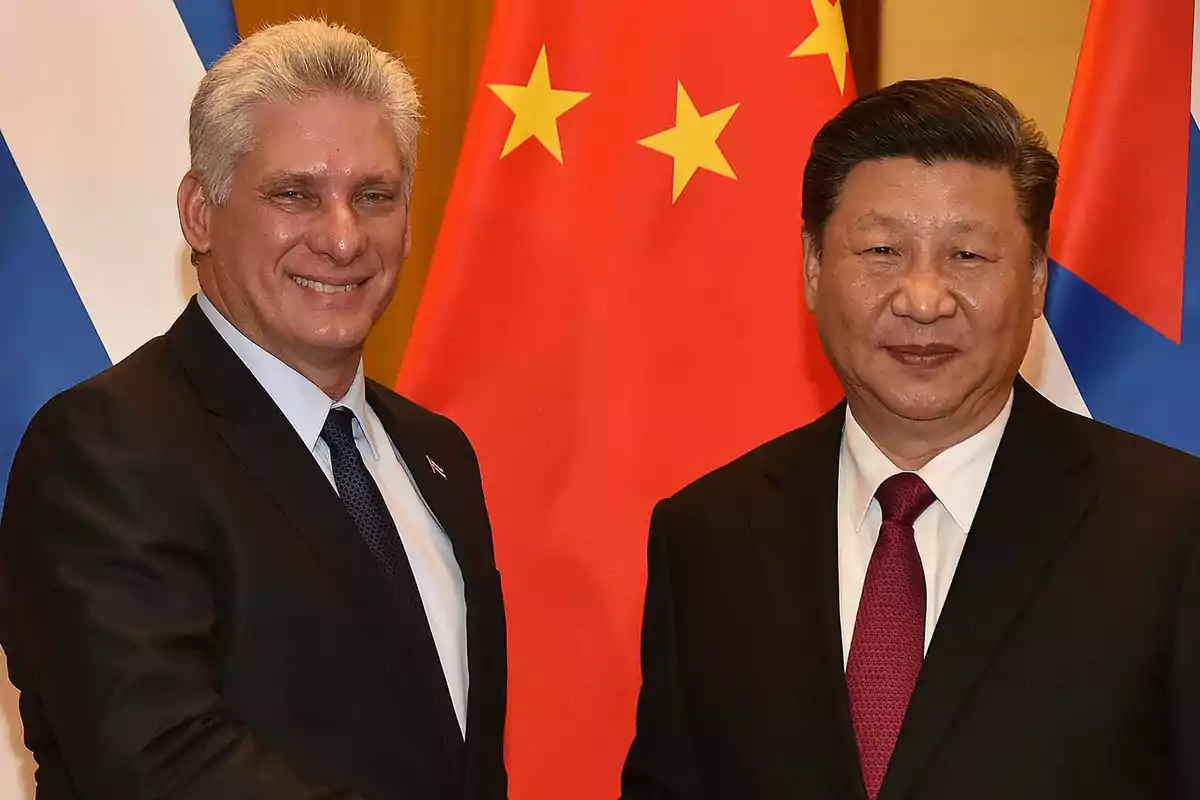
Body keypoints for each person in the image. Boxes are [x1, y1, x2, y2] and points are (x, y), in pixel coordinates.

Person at [619, 77, 1200, 800]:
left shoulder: (1172, 527)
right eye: (883, 250)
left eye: (968, 257)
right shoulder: (706, 536)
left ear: (1039, 280)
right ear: (812, 267)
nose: (923, 300)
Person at [0, 20, 507, 799]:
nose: (342, 240)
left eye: (373, 196)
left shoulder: (439, 457)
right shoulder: (104, 450)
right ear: (200, 212)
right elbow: (160, 765)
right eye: (295, 194)